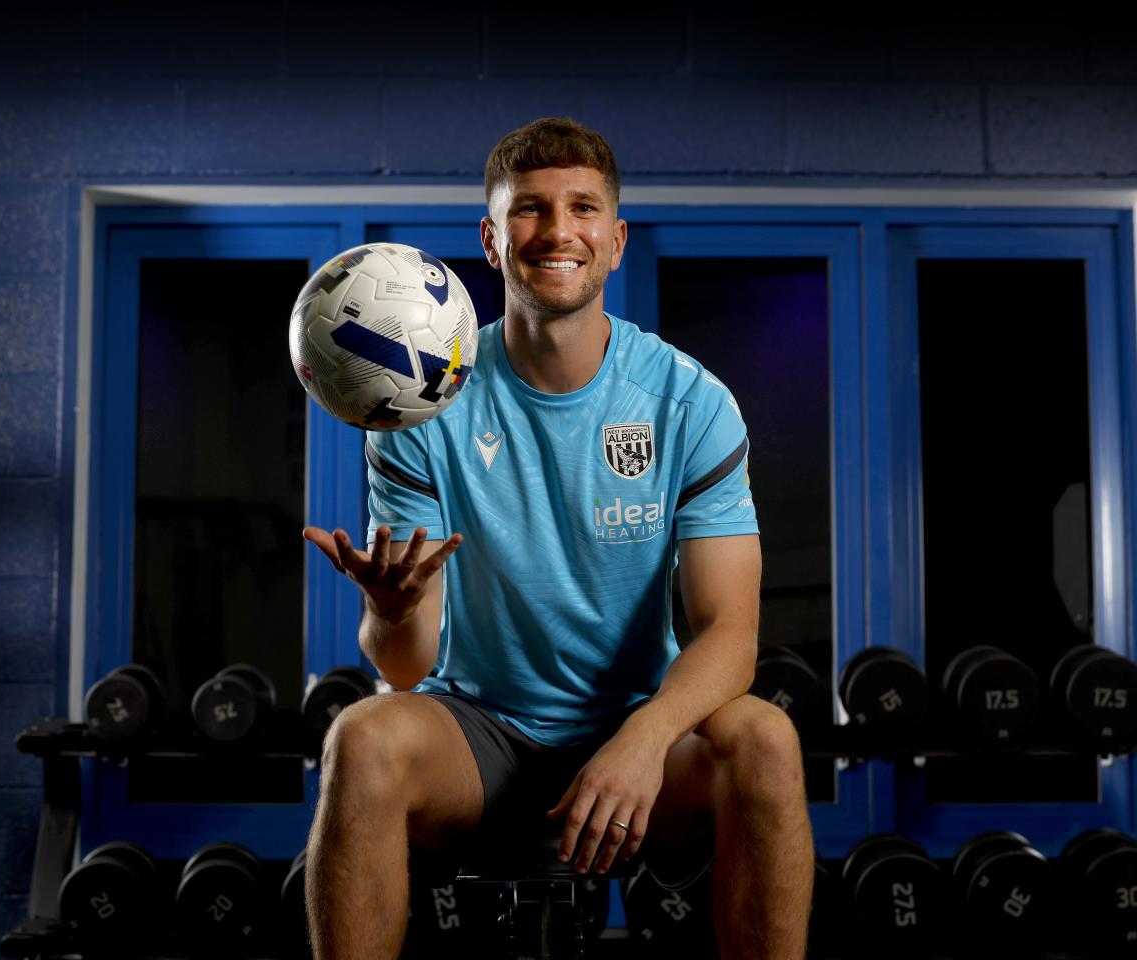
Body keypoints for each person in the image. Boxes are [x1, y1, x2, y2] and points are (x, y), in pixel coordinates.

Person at [301, 117, 813, 960]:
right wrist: (390, 611)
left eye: (582, 208)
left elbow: (731, 636)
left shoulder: (690, 403)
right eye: (530, 209)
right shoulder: (422, 404)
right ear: (492, 241)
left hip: (636, 718)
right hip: (479, 728)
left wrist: (644, 739)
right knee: (359, 738)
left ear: (615, 241)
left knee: (766, 741)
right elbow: (407, 668)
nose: (557, 230)